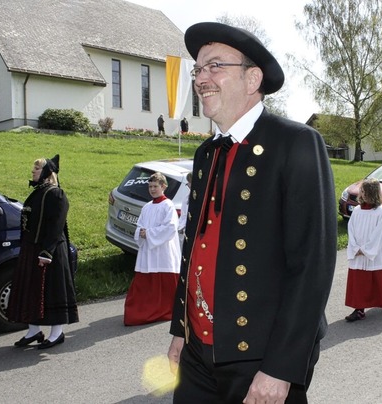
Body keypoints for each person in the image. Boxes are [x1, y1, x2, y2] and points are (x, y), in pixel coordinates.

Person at [167, 22, 337, 403]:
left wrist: (281, 367)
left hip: (261, 355)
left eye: (214, 66)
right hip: (197, 351)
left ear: (252, 78)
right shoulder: (206, 153)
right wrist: (181, 329)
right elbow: (194, 246)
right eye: (198, 69)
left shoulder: (295, 143)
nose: (200, 79)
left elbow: (312, 264)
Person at [8, 155, 78, 349]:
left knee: (52, 291)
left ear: (47, 172)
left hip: (50, 251)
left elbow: (56, 226)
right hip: (32, 248)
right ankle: (34, 330)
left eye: (37, 169)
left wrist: (46, 253)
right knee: (32, 291)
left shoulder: (56, 194)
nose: (33, 172)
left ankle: (57, 333)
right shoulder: (38, 192)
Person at [123, 172, 180, 325]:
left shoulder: (168, 205)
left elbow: (171, 227)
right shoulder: (147, 207)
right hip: (148, 250)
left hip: (163, 251)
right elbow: (140, 225)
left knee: (164, 285)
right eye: (150, 186)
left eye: (155, 186)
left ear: (163, 187)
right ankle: (142, 311)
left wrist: (149, 233)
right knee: (144, 284)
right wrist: (141, 233)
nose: (152, 189)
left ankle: (164, 310)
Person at [344, 178, 382, 322]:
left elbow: (380, 234)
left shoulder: (381, 212)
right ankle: (359, 309)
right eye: (361, 191)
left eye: (364, 191)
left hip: (374, 251)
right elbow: (351, 229)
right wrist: (355, 247)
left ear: (372, 193)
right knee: (359, 280)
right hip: (358, 250)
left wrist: (367, 249)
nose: (362, 193)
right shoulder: (357, 211)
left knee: (379, 278)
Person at [177, 172, 192, 250]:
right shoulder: (186, 198)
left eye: (189, 182)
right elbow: (183, 216)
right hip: (183, 233)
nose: (188, 185)